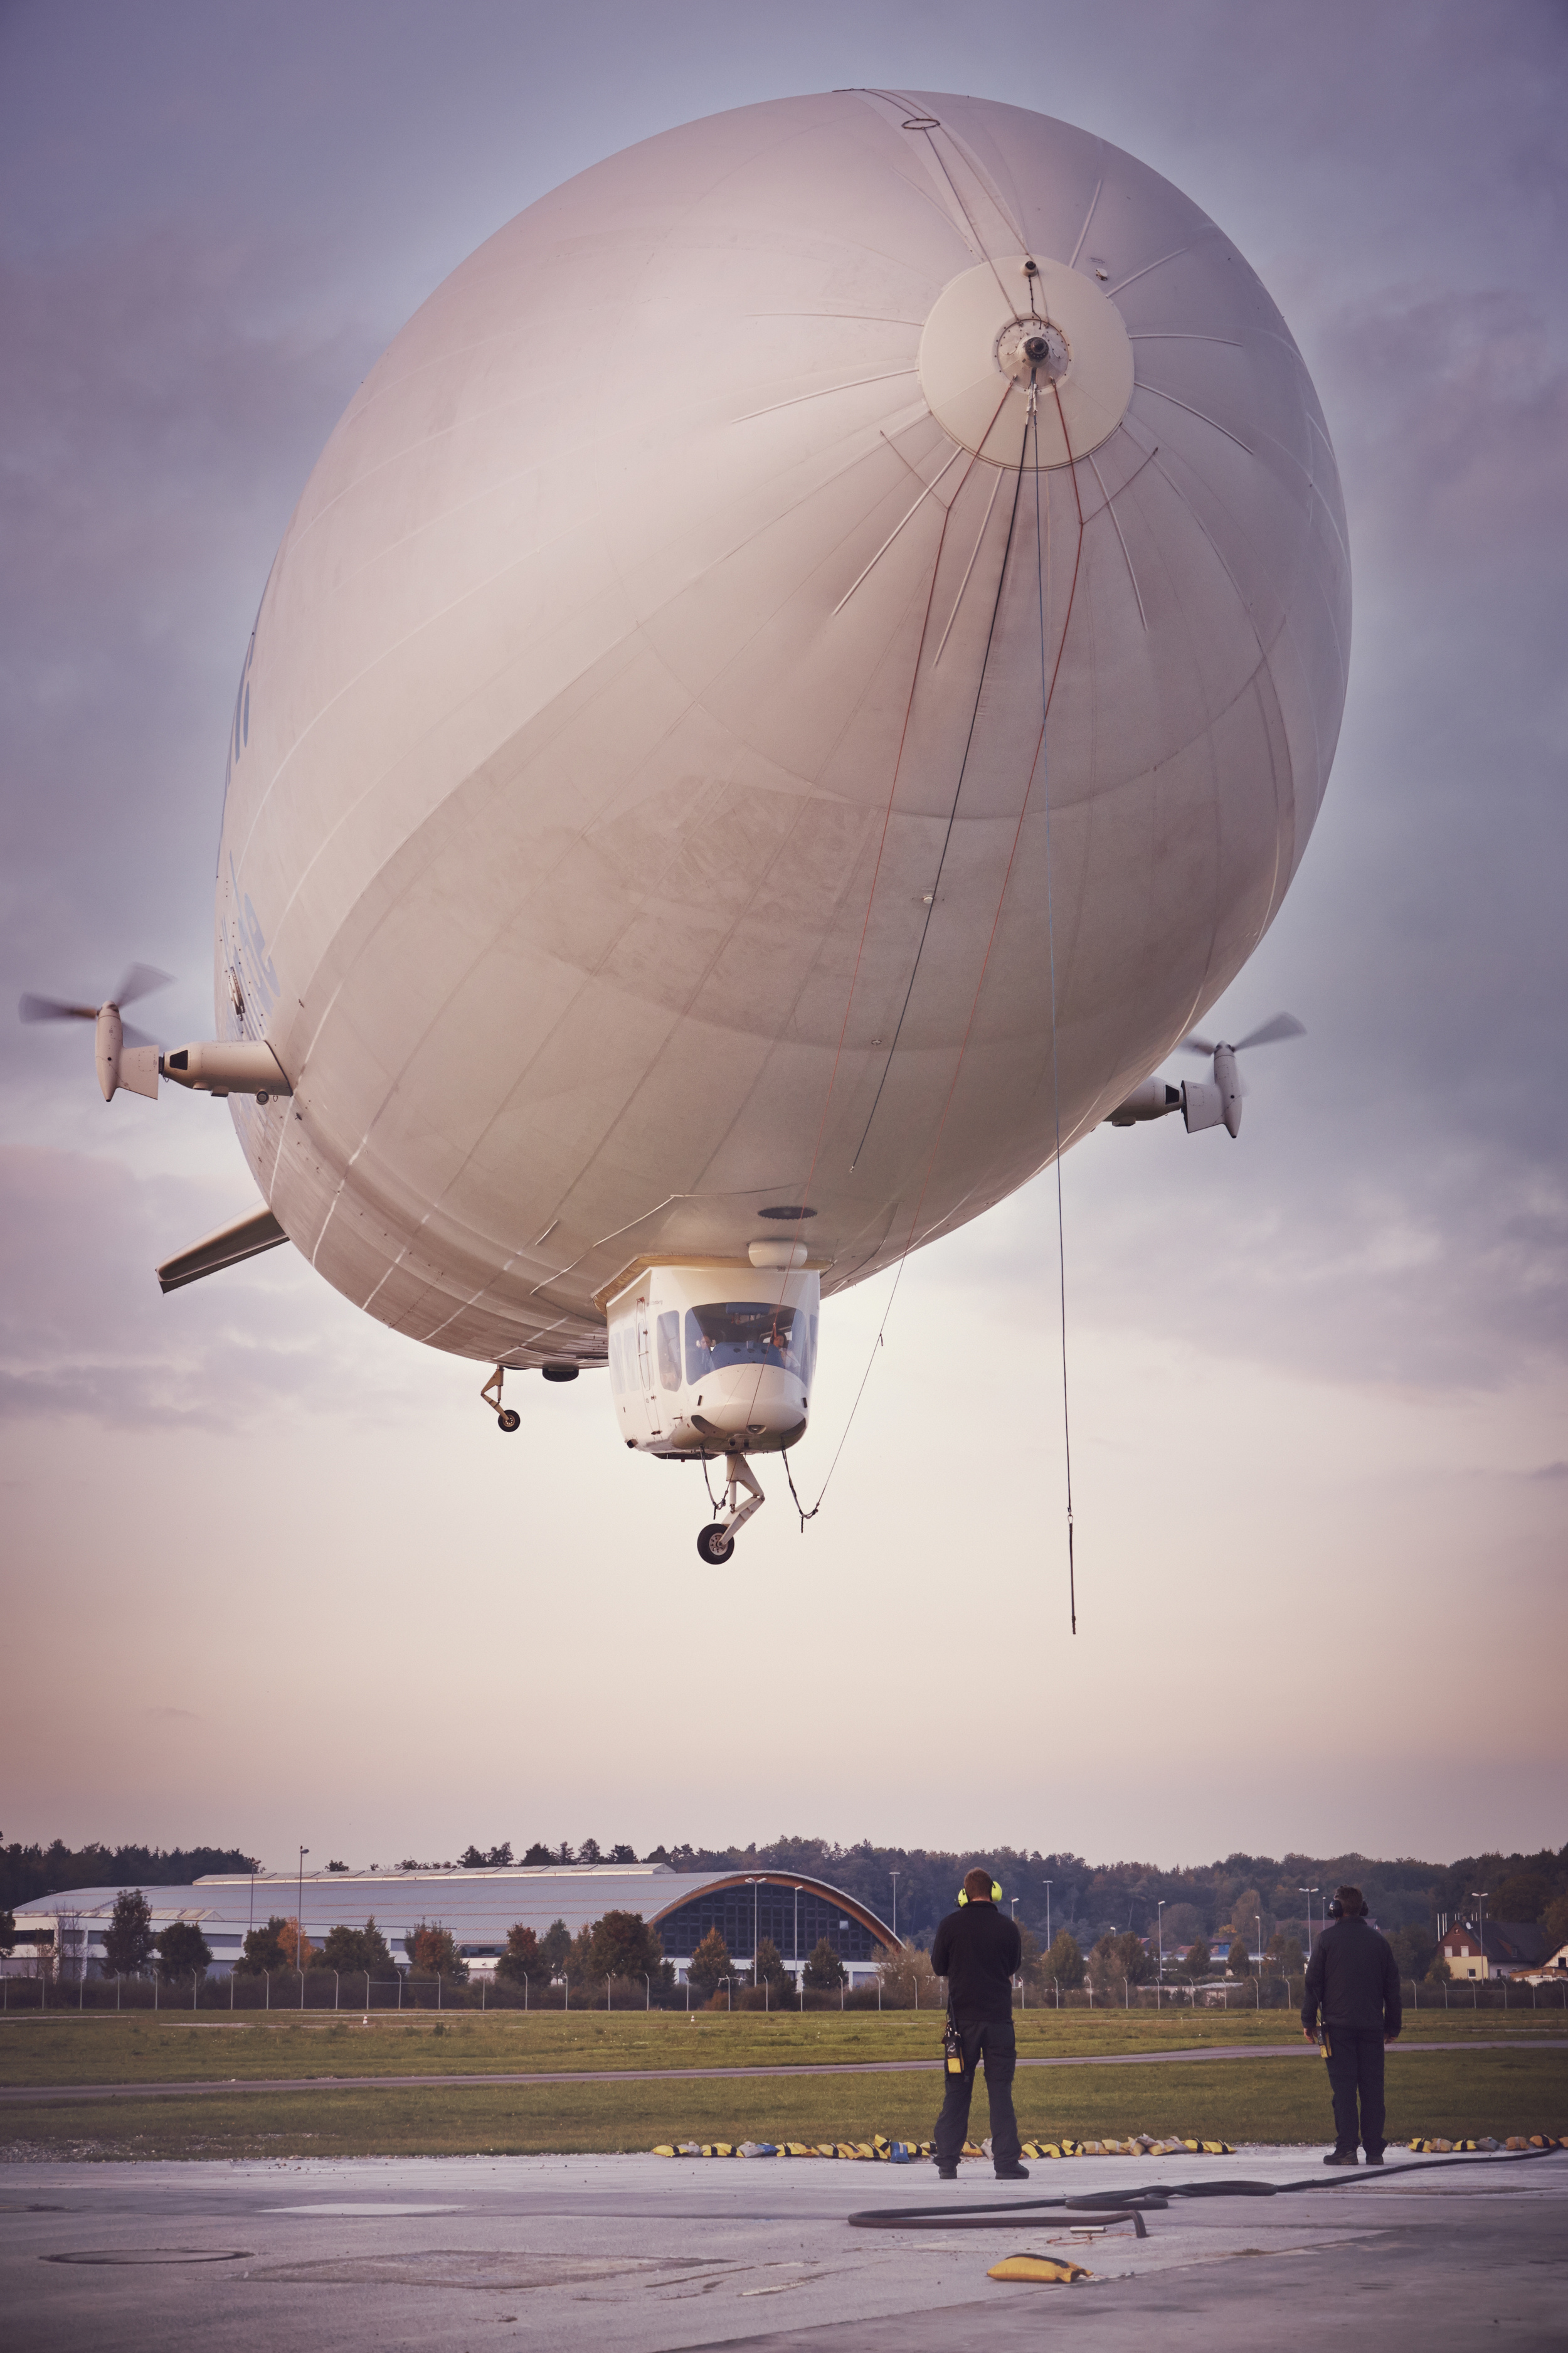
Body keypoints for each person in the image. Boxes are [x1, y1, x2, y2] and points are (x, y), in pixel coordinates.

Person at [930, 1868, 1027, 2180]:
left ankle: (947, 2162)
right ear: (993, 1891)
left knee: (957, 2090)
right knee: (1001, 2092)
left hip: (962, 2025)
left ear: (965, 1893)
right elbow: (1013, 1965)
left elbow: (938, 1966)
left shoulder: (950, 1925)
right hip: (999, 2021)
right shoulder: (1008, 1928)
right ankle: (1007, 2164)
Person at [1301, 1883, 1402, 2165]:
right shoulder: (1379, 1942)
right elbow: (1392, 1989)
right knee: (1373, 2090)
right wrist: (1393, 2026)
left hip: (1338, 2028)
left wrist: (1308, 2021)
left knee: (1344, 2091)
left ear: (1335, 1909)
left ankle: (1346, 2149)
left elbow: (1313, 1985)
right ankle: (1374, 2151)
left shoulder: (1325, 1940)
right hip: (1372, 2028)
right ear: (1362, 1909)